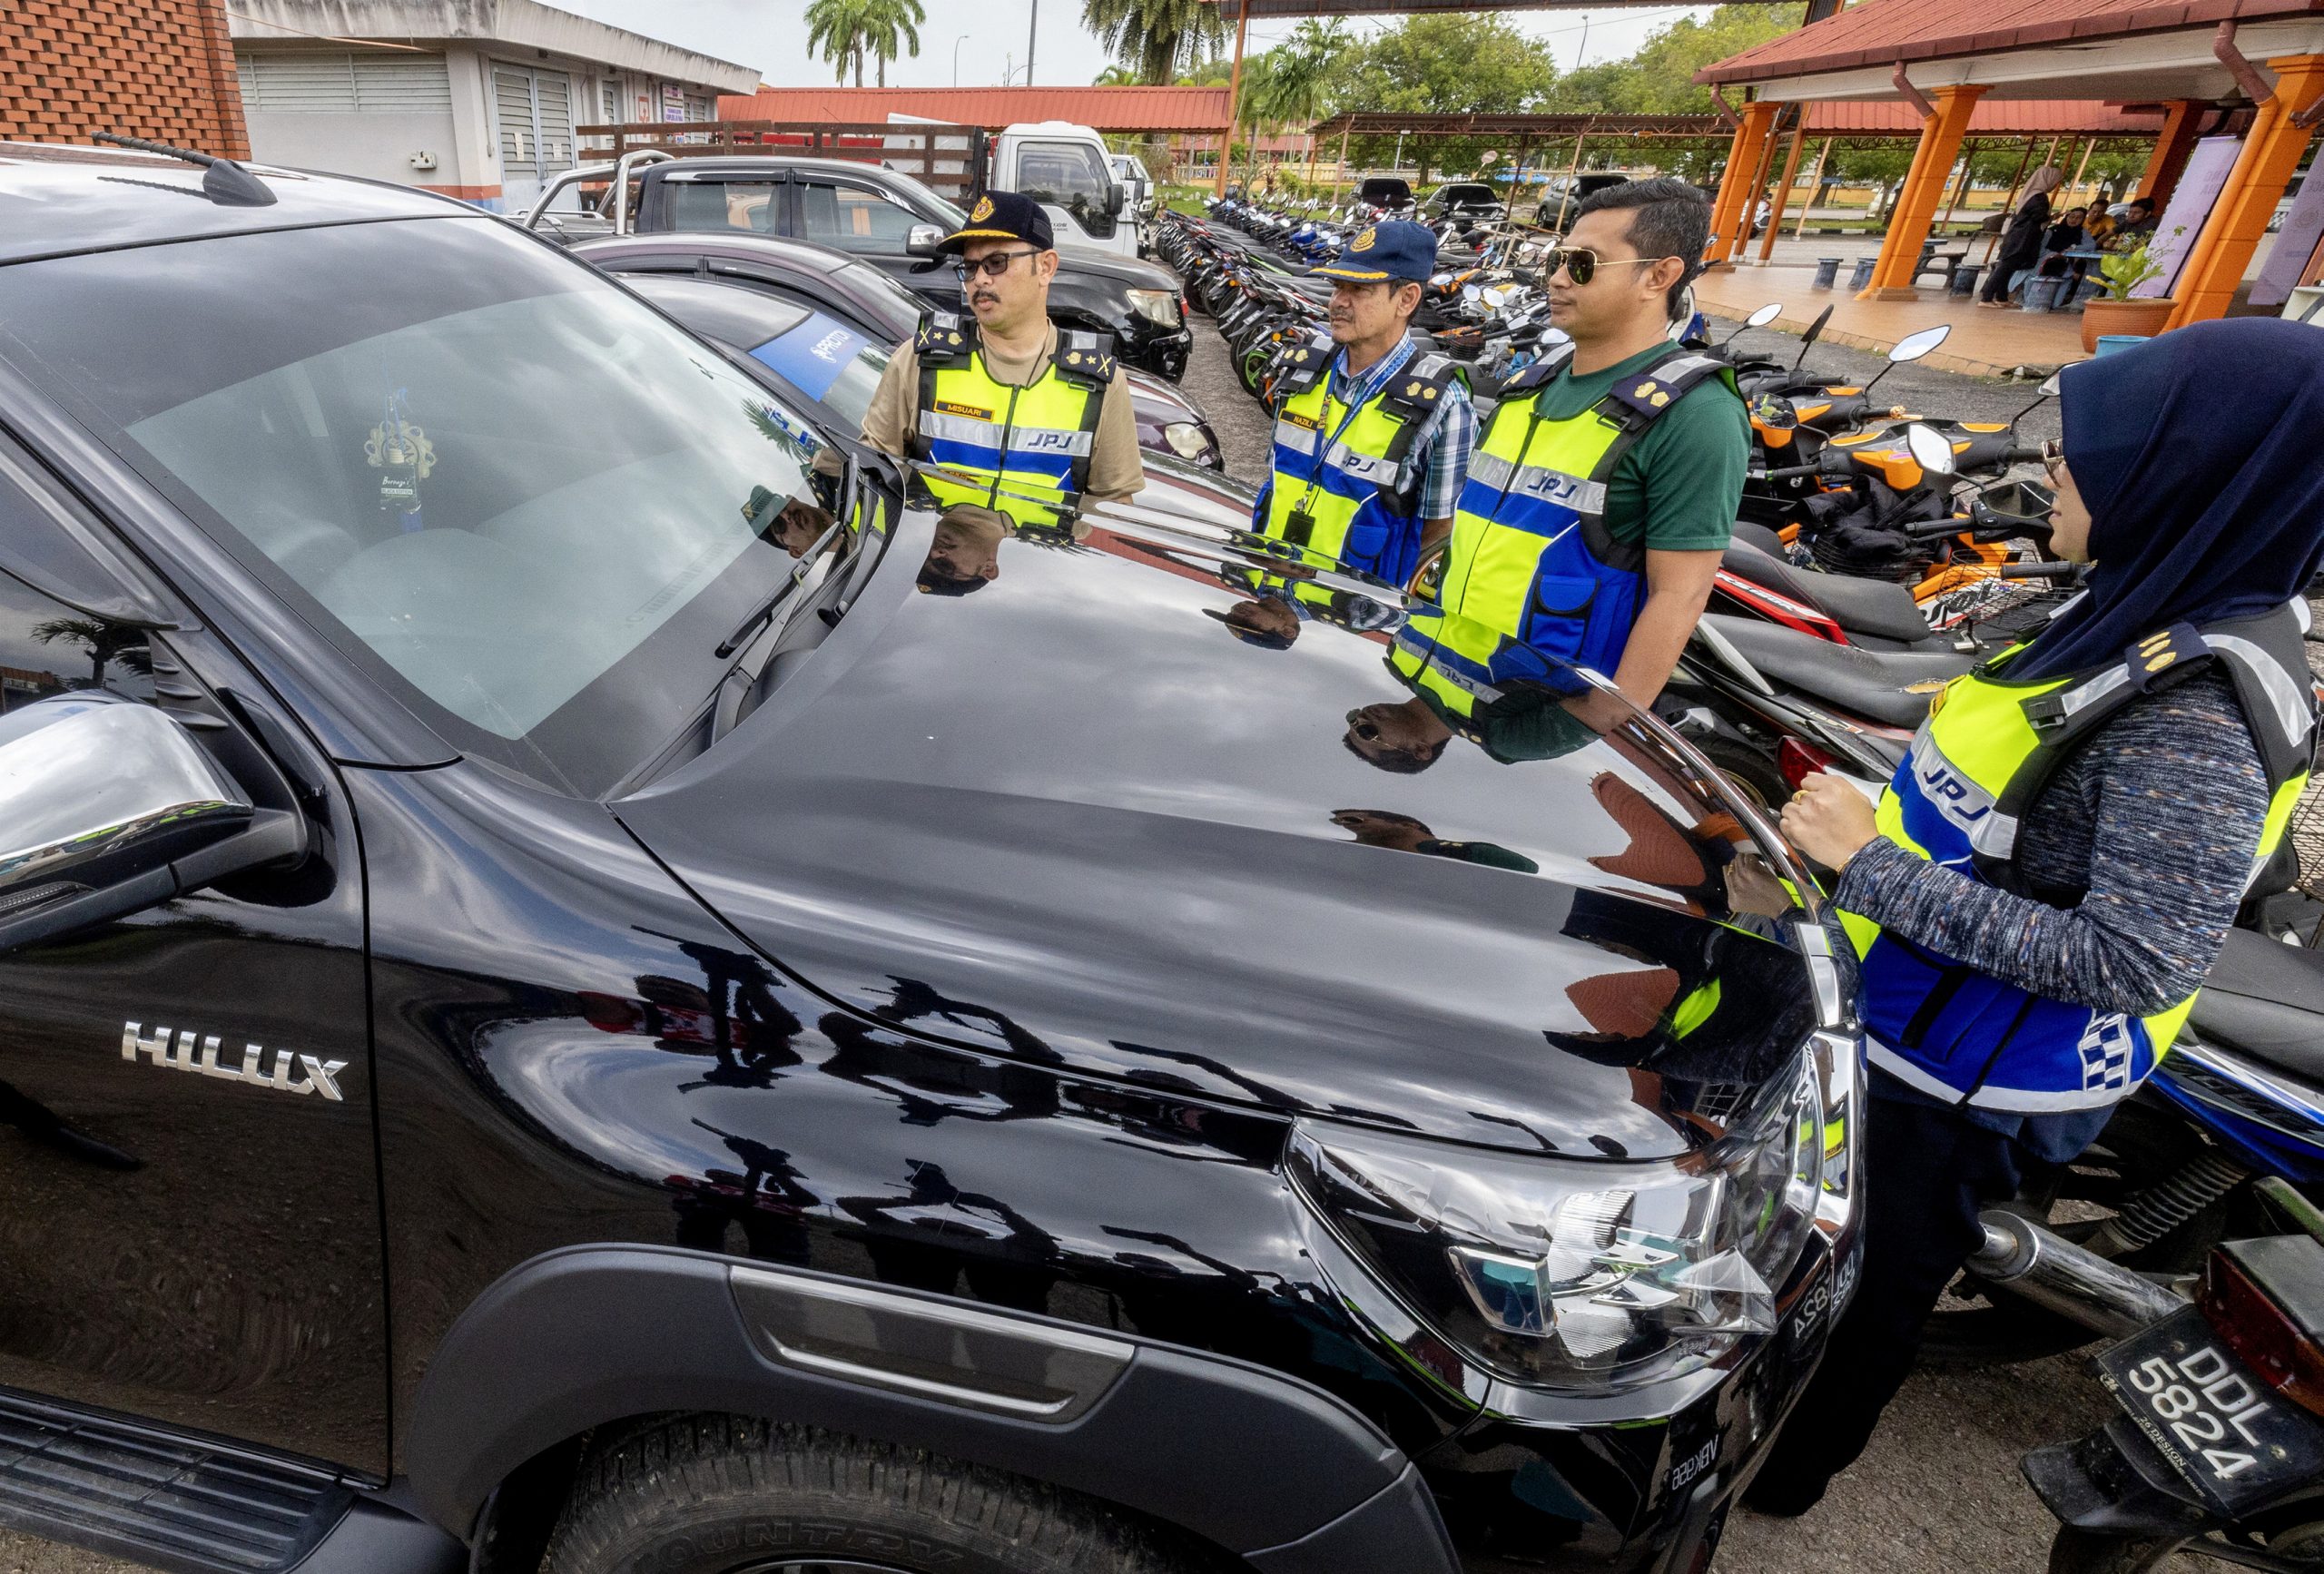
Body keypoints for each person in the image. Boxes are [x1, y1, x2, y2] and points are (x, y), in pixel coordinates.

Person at [1751, 318, 2324, 1516]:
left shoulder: (2200, 713)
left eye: (2096, 451)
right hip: (1908, 1024)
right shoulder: (2149, 596)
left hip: (1958, 1086)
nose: (2059, 466)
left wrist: (1870, 865)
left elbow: (2136, 956)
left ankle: (1780, 1479)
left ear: (2190, 474)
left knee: (1863, 1292)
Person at [1391, 178, 1747, 727]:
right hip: (1440, 681)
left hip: (1539, 716)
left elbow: (1679, 596)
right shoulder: (1532, 387)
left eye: (1584, 264)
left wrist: (1595, 724)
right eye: (1557, 260)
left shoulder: (1696, 415)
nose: (1557, 278)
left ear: (1660, 275)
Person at [860, 189, 1143, 524]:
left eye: (996, 262)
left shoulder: (1097, 380)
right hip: (934, 564)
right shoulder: (920, 360)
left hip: (1043, 570)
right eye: (970, 267)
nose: (980, 279)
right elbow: (871, 476)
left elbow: (1113, 513)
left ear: (1047, 267)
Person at [1249, 218, 1473, 588]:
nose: (1337, 301)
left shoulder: (1442, 404)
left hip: (1356, 625)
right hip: (1270, 595)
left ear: (1407, 299)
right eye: (1338, 286)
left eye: (1358, 289)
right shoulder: (1305, 370)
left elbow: (1439, 535)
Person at [1979, 164, 2063, 306]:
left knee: (2007, 268)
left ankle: (2001, 298)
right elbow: (2038, 216)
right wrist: (2050, 217)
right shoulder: (2038, 197)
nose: (2055, 186)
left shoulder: (2028, 194)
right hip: (2022, 238)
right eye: (2055, 182)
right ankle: (1986, 298)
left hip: (2016, 236)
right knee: (2005, 267)